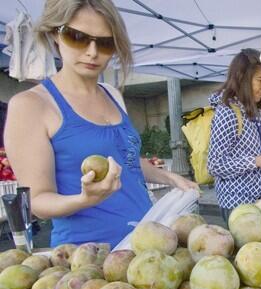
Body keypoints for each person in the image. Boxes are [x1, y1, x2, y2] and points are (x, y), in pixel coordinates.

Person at [4, 0, 197, 249]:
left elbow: (123, 158)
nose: (92, 52)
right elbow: (39, 202)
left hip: (146, 243)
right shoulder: (31, 105)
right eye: (77, 37)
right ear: (54, 35)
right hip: (87, 258)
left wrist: (169, 177)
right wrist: (85, 199)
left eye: (105, 43)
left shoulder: (112, 94)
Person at [208, 48, 261, 223]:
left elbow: (247, 148)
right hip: (237, 204)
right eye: (260, 80)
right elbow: (214, 165)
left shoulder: (253, 111)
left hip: (259, 200)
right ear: (243, 78)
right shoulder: (227, 113)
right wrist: (255, 161)